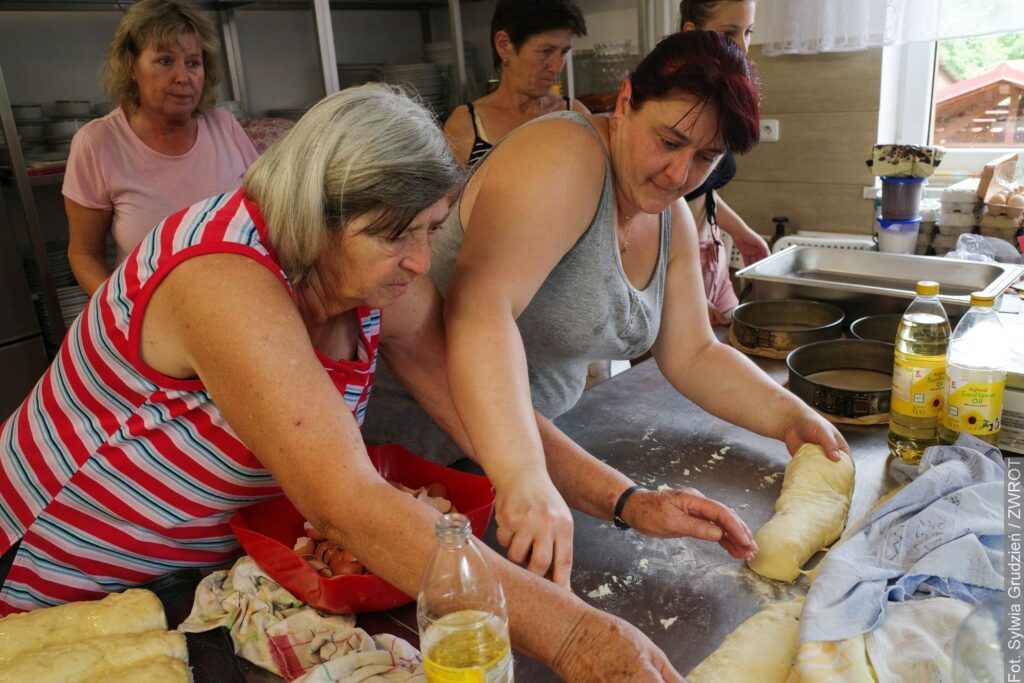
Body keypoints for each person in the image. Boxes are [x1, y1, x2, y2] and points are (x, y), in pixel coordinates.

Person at [1, 83, 728, 681]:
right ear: (316, 218)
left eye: (431, 229)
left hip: (191, 588)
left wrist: (627, 501)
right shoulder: (219, 278)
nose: (420, 262)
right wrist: (573, 637)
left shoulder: (380, 275)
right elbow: (344, 500)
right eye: (395, 235)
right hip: (54, 581)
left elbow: (481, 405)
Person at [364, 30, 849, 583]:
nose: (680, 174)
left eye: (706, 157)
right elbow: (480, 312)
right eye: (668, 141)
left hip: (519, 452)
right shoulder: (563, 157)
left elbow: (692, 352)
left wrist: (793, 417)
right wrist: (521, 474)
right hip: (414, 454)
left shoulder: (670, 215)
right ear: (624, 104)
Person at [63, 0, 258, 295]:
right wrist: (123, 312)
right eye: (165, 61)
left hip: (242, 295)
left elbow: (268, 212)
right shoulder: (98, 142)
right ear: (131, 66)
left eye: (193, 63)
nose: (183, 77)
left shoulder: (224, 126)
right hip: (156, 317)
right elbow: (84, 253)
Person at [679, 0, 769, 325]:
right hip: (673, 266)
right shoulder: (678, 104)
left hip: (712, 256)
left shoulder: (718, 98)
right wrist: (680, 286)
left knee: (740, 349)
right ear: (692, 33)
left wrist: (740, 232)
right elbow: (656, 205)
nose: (743, 47)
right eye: (729, 33)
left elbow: (699, 188)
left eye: (748, 32)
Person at [443, 0, 590, 166]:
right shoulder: (466, 125)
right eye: (546, 51)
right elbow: (450, 192)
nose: (556, 68)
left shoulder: (577, 116)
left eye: (563, 52)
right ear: (504, 45)